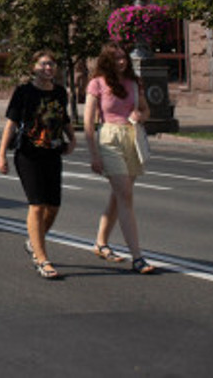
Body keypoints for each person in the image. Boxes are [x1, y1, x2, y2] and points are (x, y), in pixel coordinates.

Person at [0, 49, 74, 280]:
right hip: (28, 154)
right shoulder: (24, 92)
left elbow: (64, 118)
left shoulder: (60, 92)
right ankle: (42, 259)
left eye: (52, 64)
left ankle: (33, 240)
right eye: (44, 64)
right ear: (34, 68)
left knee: (54, 206)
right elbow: (11, 124)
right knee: (37, 205)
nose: (48, 68)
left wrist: (73, 138)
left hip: (53, 152)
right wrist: (1, 154)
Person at [85, 42, 157, 274]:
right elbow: (88, 122)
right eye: (116, 58)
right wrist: (93, 154)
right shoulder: (96, 84)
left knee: (119, 196)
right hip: (109, 138)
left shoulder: (134, 83)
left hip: (132, 136)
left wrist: (141, 114)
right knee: (125, 195)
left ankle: (100, 242)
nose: (122, 62)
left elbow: (146, 111)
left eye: (123, 57)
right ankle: (137, 257)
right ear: (106, 60)